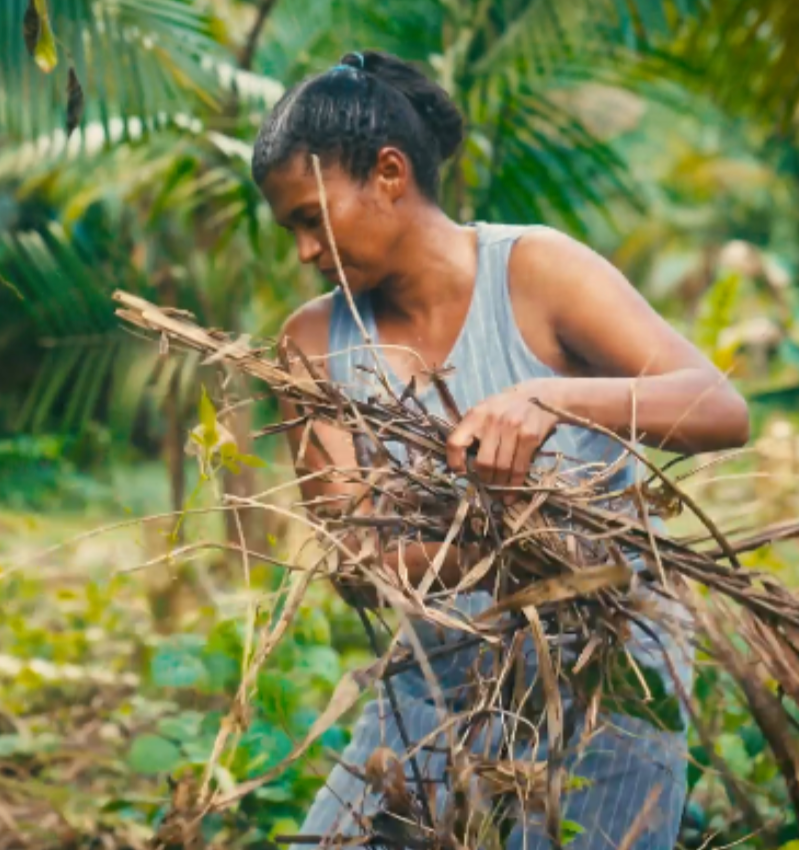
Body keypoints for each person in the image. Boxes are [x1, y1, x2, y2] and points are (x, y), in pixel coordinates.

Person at [252, 50, 749, 850]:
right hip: (435, 678)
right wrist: (497, 538)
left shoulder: (537, 272)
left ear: (388, 173)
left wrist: (553, 397)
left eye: (312, 218)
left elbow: (720, 408)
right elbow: (357, 562)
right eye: (292, 230)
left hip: (604, 664)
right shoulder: (312, 342)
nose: (306, 251)